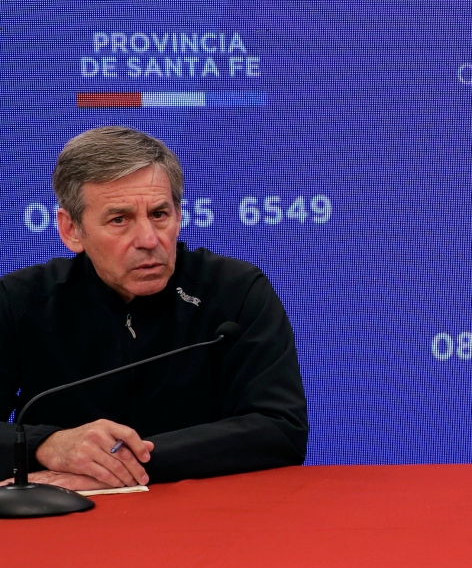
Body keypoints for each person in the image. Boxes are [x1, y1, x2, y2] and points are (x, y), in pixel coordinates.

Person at [0, 126, 307, 490]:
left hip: (207, 509)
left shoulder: (234, 292)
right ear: (71, 230)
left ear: (178, 215)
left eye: (160, 214)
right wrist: (47, 445)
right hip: (69, 512)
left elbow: (279, 428)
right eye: (120, 219)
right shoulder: (21, 301)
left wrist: (116, 467)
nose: (148, 240)